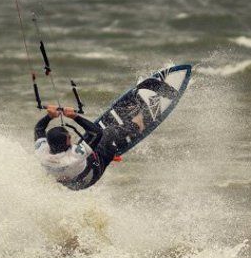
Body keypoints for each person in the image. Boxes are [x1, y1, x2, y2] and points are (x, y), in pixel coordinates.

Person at [34, 77, 178, 190]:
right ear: (65, 143)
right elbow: (97, 133)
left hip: (72, 183)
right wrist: (74, 116)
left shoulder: (42, 153)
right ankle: (138, 124)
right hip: (91, 175)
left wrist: (49, 116)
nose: (71, 139)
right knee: (107, 132)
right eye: (69, 138)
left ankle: (106, 150)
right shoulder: (73, 156)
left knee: (87, 140)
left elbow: (39, 129)